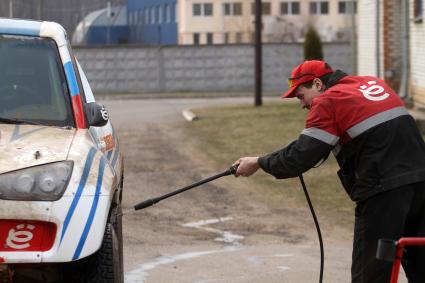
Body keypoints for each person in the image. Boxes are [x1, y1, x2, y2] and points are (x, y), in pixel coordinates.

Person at [234, 60, 425, 283]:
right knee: (421, 265)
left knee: (370, 274)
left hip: (383, 192)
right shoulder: (373, 83)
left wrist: (259, 162)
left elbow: (300, 157)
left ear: (317, 84)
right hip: (422, 183)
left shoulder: (328, 101)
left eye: (301, 96)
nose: (302, 104)